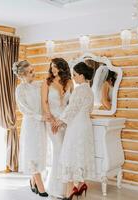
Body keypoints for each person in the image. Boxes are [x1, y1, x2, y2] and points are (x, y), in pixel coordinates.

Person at [54, 62, 96, 200]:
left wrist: (59, 121)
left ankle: (70, 193)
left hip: (77, 126)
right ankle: (82, 185)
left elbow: (72, 109)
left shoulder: (79, 90)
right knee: (81, 154)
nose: (73, 77)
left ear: (82, 76)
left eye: (75, 75)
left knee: (70, 154)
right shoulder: (89, 90)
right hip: (85, 125)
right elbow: (87, 110)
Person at [13, 60, 48, 197]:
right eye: (30, 72)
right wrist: (40, 117)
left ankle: (33, 181)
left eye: (33, 70)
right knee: (32, 153)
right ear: (22, 76)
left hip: (41, 124)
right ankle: (41, 187)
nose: (34, 73)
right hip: (31, 124)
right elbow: (24, 109)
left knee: (40, 152)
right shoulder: (20, 89)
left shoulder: (38, 85)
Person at [41, 58, 73, 198]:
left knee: (65, 151)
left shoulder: (70, 83)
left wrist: (62, 120)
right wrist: (52, 120)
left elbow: (71, 105)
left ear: (62, 67)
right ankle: (56, 188)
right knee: (58, 150)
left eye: (55, 67)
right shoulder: (47, 82)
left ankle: (66, 188)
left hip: (65, 122)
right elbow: (45, 102)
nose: (53, 69)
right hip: (51, 121)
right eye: (51, 67)